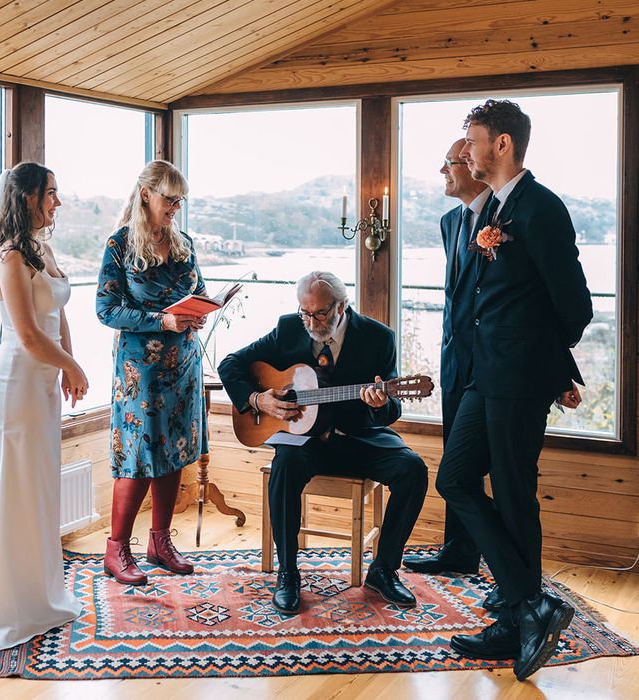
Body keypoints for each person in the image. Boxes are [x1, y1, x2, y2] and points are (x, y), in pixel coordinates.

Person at [435, 100, 592, 681]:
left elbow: (575, 306)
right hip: (483, 375)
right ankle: (528, 601)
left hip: (519, 377)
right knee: (454, 478)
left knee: (515, 494)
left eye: (472, 140)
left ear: (502, 145)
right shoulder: (492, 211)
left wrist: (549, 367)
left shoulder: (541, 208)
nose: (466, 150)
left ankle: (515, 616)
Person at [218, 271, 428, 614]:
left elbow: (394, 407)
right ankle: (288, 573)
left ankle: (384, 569)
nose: (311, 322)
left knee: (413, 470)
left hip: (358, 438)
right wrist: (259, 401)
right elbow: (231, 364)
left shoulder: (378, 338)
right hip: (306, 442)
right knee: (284, 466)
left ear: (342, 306)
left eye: (320, 314)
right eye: (305, 312)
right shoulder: (288, 328)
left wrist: (380, 403)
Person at [0, 162, 88, 649]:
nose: (58, 201)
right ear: (28, 196)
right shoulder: (9, 256)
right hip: (14, 382)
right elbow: (27, 334)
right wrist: (72, 368)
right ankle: (7, 602)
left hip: (42, 381)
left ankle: (37, 591)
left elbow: (58, 314)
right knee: (15, 487)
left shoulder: (41, 248)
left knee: (39, 486)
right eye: (52, 192)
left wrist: (68, 362)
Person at [402, 140, 503, 607]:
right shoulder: (450, 223)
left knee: (496, 470)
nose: (440, 169)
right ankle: (459, 552)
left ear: (472, 168)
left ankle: (508, 569)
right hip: (454, 361)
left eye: (449, 163)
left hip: (495, 368)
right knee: (455, 460)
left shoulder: (502, 220)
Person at [96, 159, 206, 586]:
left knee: (175, 450)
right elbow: (106, 310)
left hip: (184, 366)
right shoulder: (119, 245)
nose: (176, 206)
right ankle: (115, 549)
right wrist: (162, 320)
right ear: (146, 194)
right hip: (140, 372)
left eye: (180, 199)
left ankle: (159, 543)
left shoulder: (185, 243)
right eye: (169, 198)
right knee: (138, 457)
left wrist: (200, 311)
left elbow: (198, 291)